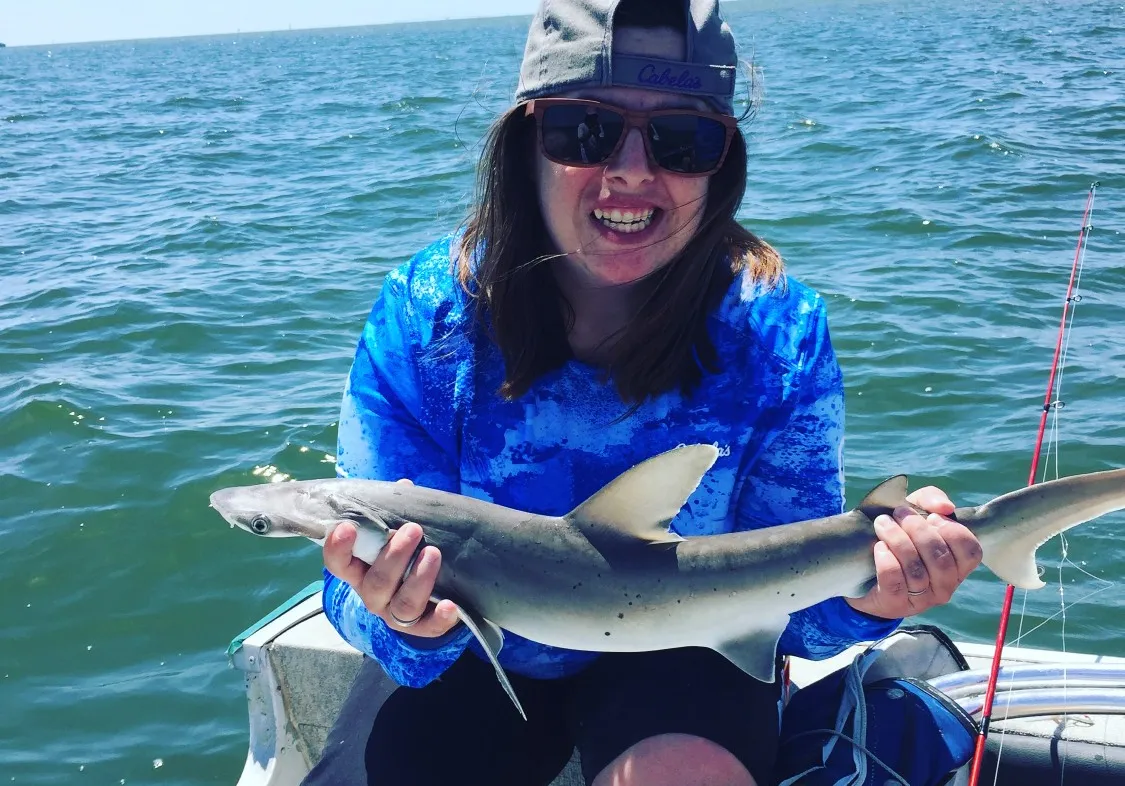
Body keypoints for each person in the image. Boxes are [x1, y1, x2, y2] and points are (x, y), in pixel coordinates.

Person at [318, 1, 984, 784]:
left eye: (681, 138)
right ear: (525, 143)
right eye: (583, 130)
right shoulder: (426, 315)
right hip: (476, 645)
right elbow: (355, 593)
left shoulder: (775, 331)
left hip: (686, 646)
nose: (632, 171)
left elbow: (793, 619)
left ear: (722, 162)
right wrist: (410, 622)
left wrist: (875, 596)